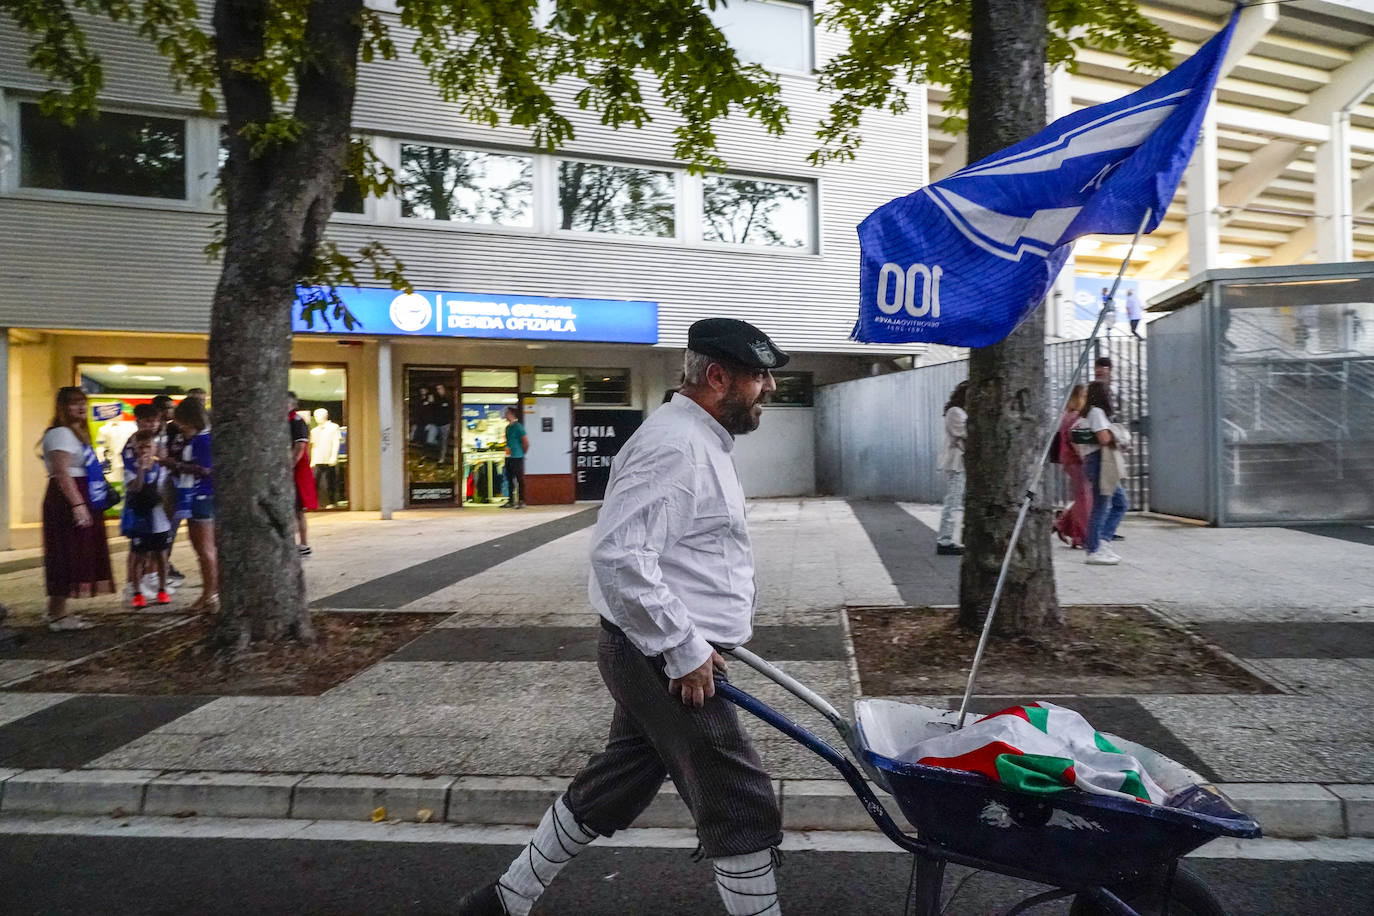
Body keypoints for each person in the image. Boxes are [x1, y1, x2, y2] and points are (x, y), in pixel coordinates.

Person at [458, 317, 789, 916]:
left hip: (664, 651)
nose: (768, 387)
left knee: (619, 778)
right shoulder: (675, 445)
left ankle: (506, 899)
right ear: (717, 377)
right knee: (735, 795)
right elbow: (619, 555)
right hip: (669, 657)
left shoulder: (698, 439)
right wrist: (684, 651)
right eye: (759, 376)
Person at [39, 387, 114, 631]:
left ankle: (58, 611)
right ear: (62, 407)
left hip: (83, 493)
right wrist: (78, 504)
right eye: (74, 403)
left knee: (75, 553)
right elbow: (62, 472)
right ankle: (57, 614)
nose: (80, 408)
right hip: (68, 498)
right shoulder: (60, 433)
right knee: (66, 553)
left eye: (83, 403)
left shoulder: (78, 433)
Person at [1074, 381, 1130, 566]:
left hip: (1096, 461)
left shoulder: (1088, 414)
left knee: (1119, 502)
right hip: (1100, 462)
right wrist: (1118, 436)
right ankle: (1094, 548)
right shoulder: (1096, 412)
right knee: (1103, 505)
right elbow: (1104, 438)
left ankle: (1102, 542)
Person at [120, 403, 172, 602]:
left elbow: (164, 471)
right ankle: (132, 587)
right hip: (139, 505)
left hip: (157, 507)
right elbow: (133, 480)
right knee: (137, 550)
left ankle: (157, 585)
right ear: (138, 421)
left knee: (159, 549)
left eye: (156, 420)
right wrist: (142, 466)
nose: (153, 424)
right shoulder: (132, 444)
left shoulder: (157, 443)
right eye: (148, 421)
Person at [169, 397, 217, 609]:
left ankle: (210, 594)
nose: (180, 427)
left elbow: (206, 470)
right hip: (193, 495)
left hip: (201, 495)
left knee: (205, 548)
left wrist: (175, 464)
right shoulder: (196, 439)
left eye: (181, 422)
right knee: (201, 547)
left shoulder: (203, 440)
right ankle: (209, 593)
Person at [152, 394, 188, 589]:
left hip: (172, 481)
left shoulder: (175, 429)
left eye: (172, 407)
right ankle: (154, 568)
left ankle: (164, 563)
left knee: (169, 527)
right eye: (167, 408)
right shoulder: (151, 430)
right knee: (157, 527)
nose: (171, 411)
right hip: (155, 483)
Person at [1051, 385, 1091, 549]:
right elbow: (1076, 442)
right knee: (1084, 499)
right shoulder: (1075, 417)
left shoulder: (1066, 415)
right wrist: (1085, 457)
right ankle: (1080, 536)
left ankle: (1062, 524)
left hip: (1068, 460)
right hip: (1076, 461)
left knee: (1082, 498)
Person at [935, 380, 969, 555]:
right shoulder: (955, 412)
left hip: (963, 461)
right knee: (953, 501)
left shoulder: (960, 411)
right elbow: (963, 432)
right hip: (957, 462)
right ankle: (945, 540)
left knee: (958, 502)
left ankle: (951, 538)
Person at [289, 393, 318, 556]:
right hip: (291, 470)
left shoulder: (297, 422)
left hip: (296, 472)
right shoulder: (284, 421)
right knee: (292, 509)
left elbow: (300, 447)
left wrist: (290, 465)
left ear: (294, 404)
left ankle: (304, 543)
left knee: (298, 509)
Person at [310, 408, 342, 508]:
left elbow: (336, 442)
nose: (317, 418)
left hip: (329, 459)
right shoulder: (314, 431)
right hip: (318, 459)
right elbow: (314, 446)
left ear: (325, 416)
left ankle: (331, 502)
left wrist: (334, 456)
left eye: (318, 416)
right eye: (315, 416)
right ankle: (314, 502)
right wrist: (312, 460)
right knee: (315, 481)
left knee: (330, 481)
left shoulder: (334, 427)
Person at [502, 406, 529, 509]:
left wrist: (522, 453)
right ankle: (510, 500)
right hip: (509, 456)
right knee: (509, 478)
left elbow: (526, 442)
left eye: (508, 413)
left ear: (512, 414)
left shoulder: (518, 427)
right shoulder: (508, 428)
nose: (506, 415)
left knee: (519, 479)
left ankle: (521, 500)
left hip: (517, 456)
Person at [432, 383, 454, 464]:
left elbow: (451, 410)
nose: (439, 390)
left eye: (440, 388)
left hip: (445, 423)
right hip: (437, 423)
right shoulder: (437, 399)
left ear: (444, 389)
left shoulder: (448, 398)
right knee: (437, 440)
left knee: (444, 441)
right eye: (437, 389)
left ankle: (442, 458)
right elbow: (434, 410)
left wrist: (449, 419)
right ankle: (438, 456)